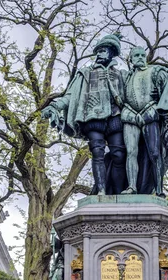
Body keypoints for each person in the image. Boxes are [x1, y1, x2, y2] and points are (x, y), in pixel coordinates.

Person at [42, 33, 127, 195]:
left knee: (119, 155)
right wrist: (55, 106)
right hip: (93, 119)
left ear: (111, 52)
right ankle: (101, 191)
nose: (99, 53)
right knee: (97, 153)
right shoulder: (85, 73)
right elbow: (70, 96)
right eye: (98, 51)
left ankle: (118, 192)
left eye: (103, 50)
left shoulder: (121, 74)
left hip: (116, 118)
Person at [121, 46, 168, 197]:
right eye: (136, 55)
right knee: (131, 152)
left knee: (155, 153)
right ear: (131, 59)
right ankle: (131, 186)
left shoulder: (156, 72)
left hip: (149, 113)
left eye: (142, 55)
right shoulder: (126, 77)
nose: (139, 57)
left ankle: (158, 189)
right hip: (130, 115)